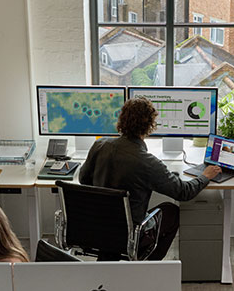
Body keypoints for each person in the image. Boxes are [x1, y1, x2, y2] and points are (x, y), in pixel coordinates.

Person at [78, 96, 221, 260]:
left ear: (122, 120)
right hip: (129, 234)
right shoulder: (147, 162)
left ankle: (113, 259)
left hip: (96, 228)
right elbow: (184, 192)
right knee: (171, 211)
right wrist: (205, 176)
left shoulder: (100, 145)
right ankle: (147, 267)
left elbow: (83, 179)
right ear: (150, 126)